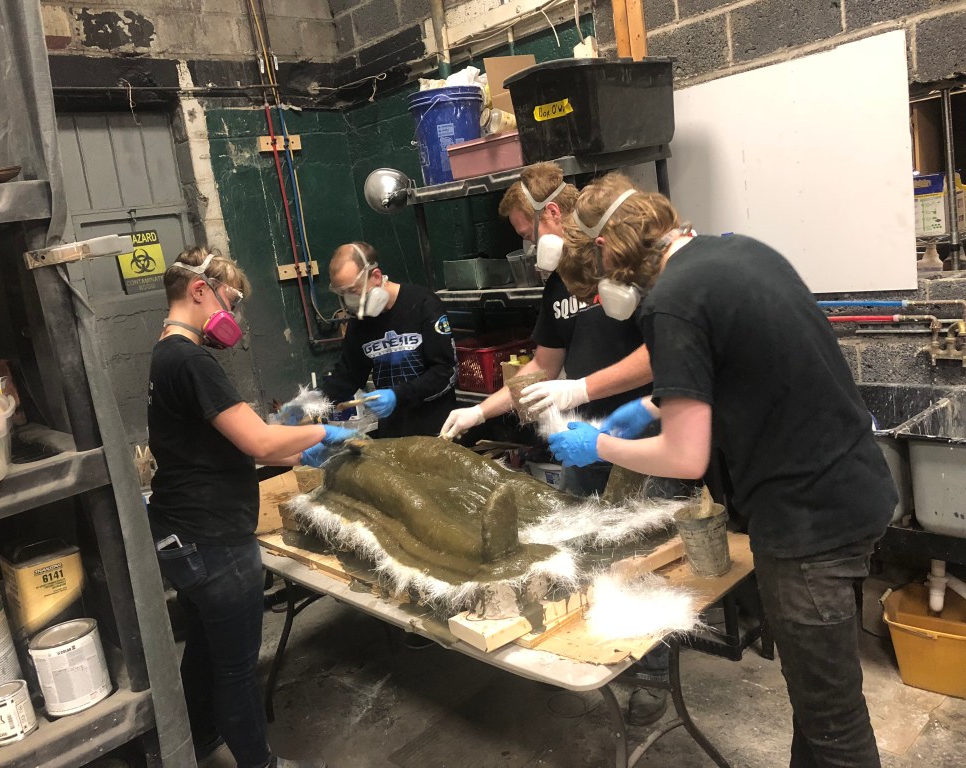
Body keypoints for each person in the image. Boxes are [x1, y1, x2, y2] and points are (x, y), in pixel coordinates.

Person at [548, 173, 896, 767]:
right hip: (855, 486)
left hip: (807, 522)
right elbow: (739, 363)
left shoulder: (671, 300)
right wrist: (651, 406)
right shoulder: (735, 252)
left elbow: (685, 457)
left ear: (606, 250)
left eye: (596, 274)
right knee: (817, 705)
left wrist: (599, 445)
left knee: (835, 727)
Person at [439, 162, 672, 726]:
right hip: (579, 443)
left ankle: (654, 671)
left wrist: (584, 388)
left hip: (646, 430)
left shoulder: (635, 269)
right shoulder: (556, 286)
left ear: (552, 213)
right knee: (587, 546)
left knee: (648, 552)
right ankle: (602, 652)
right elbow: (542, 366)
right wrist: (481, 409)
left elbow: (663, 354)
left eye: (526, 231)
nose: (527, 245)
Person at [147, 246, 350, 768]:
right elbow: (257, 441)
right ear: (199, 291)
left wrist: (294, 448)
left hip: (183, 534)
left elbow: (225, 442)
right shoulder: (192, 360)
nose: (233, 315)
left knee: (205, 649)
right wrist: (324, 432)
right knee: (236, 669)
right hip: (214, 539)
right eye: (230, 300)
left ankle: (200, 740)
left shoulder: (165, 354)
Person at [318, 242, 457, 439]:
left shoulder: (424, 304)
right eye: (343, 294)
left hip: (436, 428)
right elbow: (348, 376)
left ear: (376, 276)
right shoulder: (360, 322)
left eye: (353, 291)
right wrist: (311, 403)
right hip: (393, 431)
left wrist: (397, 395)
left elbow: (445, 372)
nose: (350, 301)